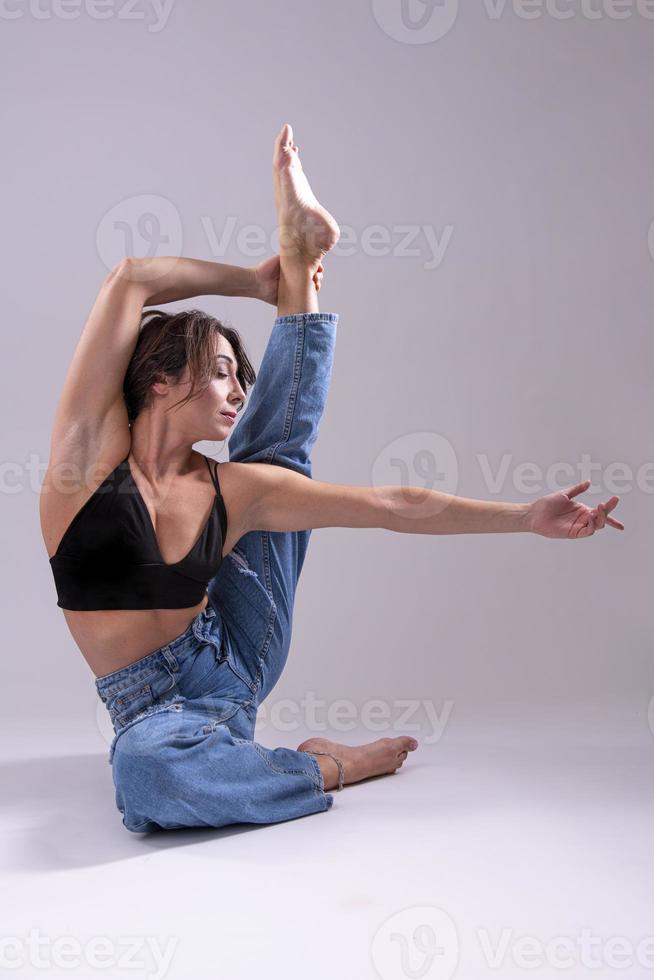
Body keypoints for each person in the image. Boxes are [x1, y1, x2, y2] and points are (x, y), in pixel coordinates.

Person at [40, 124, 624, 834]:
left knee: (272, 467)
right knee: (145, 771)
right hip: (144, 712)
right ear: (159, 381)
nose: (235, 392)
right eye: (221, 373)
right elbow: (131, 277)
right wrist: (253, 285)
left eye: (238, 377)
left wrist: (524, 515)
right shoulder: (82, 465)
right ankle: (325, 766)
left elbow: (390, 503)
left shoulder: (234, 492)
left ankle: (298, 264)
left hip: (231, 664)